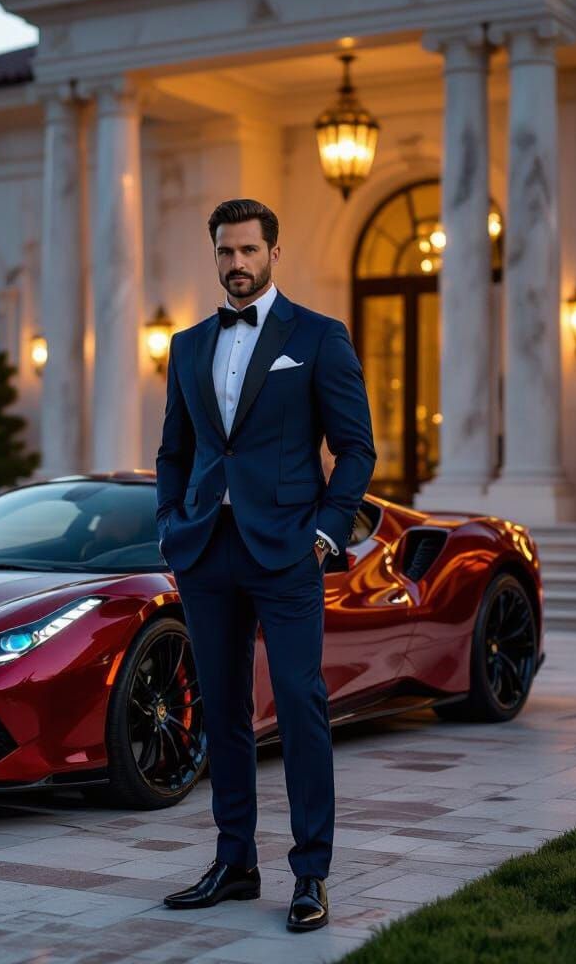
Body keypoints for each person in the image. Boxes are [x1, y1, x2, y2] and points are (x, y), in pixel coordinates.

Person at [154, 198, 376, 933]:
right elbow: (174, 453)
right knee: (222, 711)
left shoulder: (317, 337)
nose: (237, 264)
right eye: (225, 252)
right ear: (214, 255)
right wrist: (169, 523)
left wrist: (326, 532)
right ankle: (235, 861)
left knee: (301, 704)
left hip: (288, 550)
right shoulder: (188, 345)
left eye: (249, 251)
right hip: (206, 550)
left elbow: (356, 448)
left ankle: (310, 873)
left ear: (274, 254)